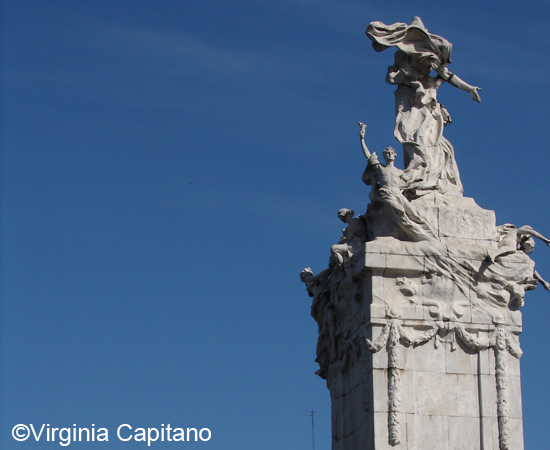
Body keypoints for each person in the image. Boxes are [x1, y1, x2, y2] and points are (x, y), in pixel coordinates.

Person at [366, 17, 481, 197]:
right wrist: (411, 81)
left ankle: (426, 173)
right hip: (407, 97)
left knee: (426, 137)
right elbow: (391, 78)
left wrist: (469, 89)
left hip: (426, 102)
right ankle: (418, 171)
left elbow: (447, 75)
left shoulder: (430, 57)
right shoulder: (401, 55)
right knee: (406, 130)